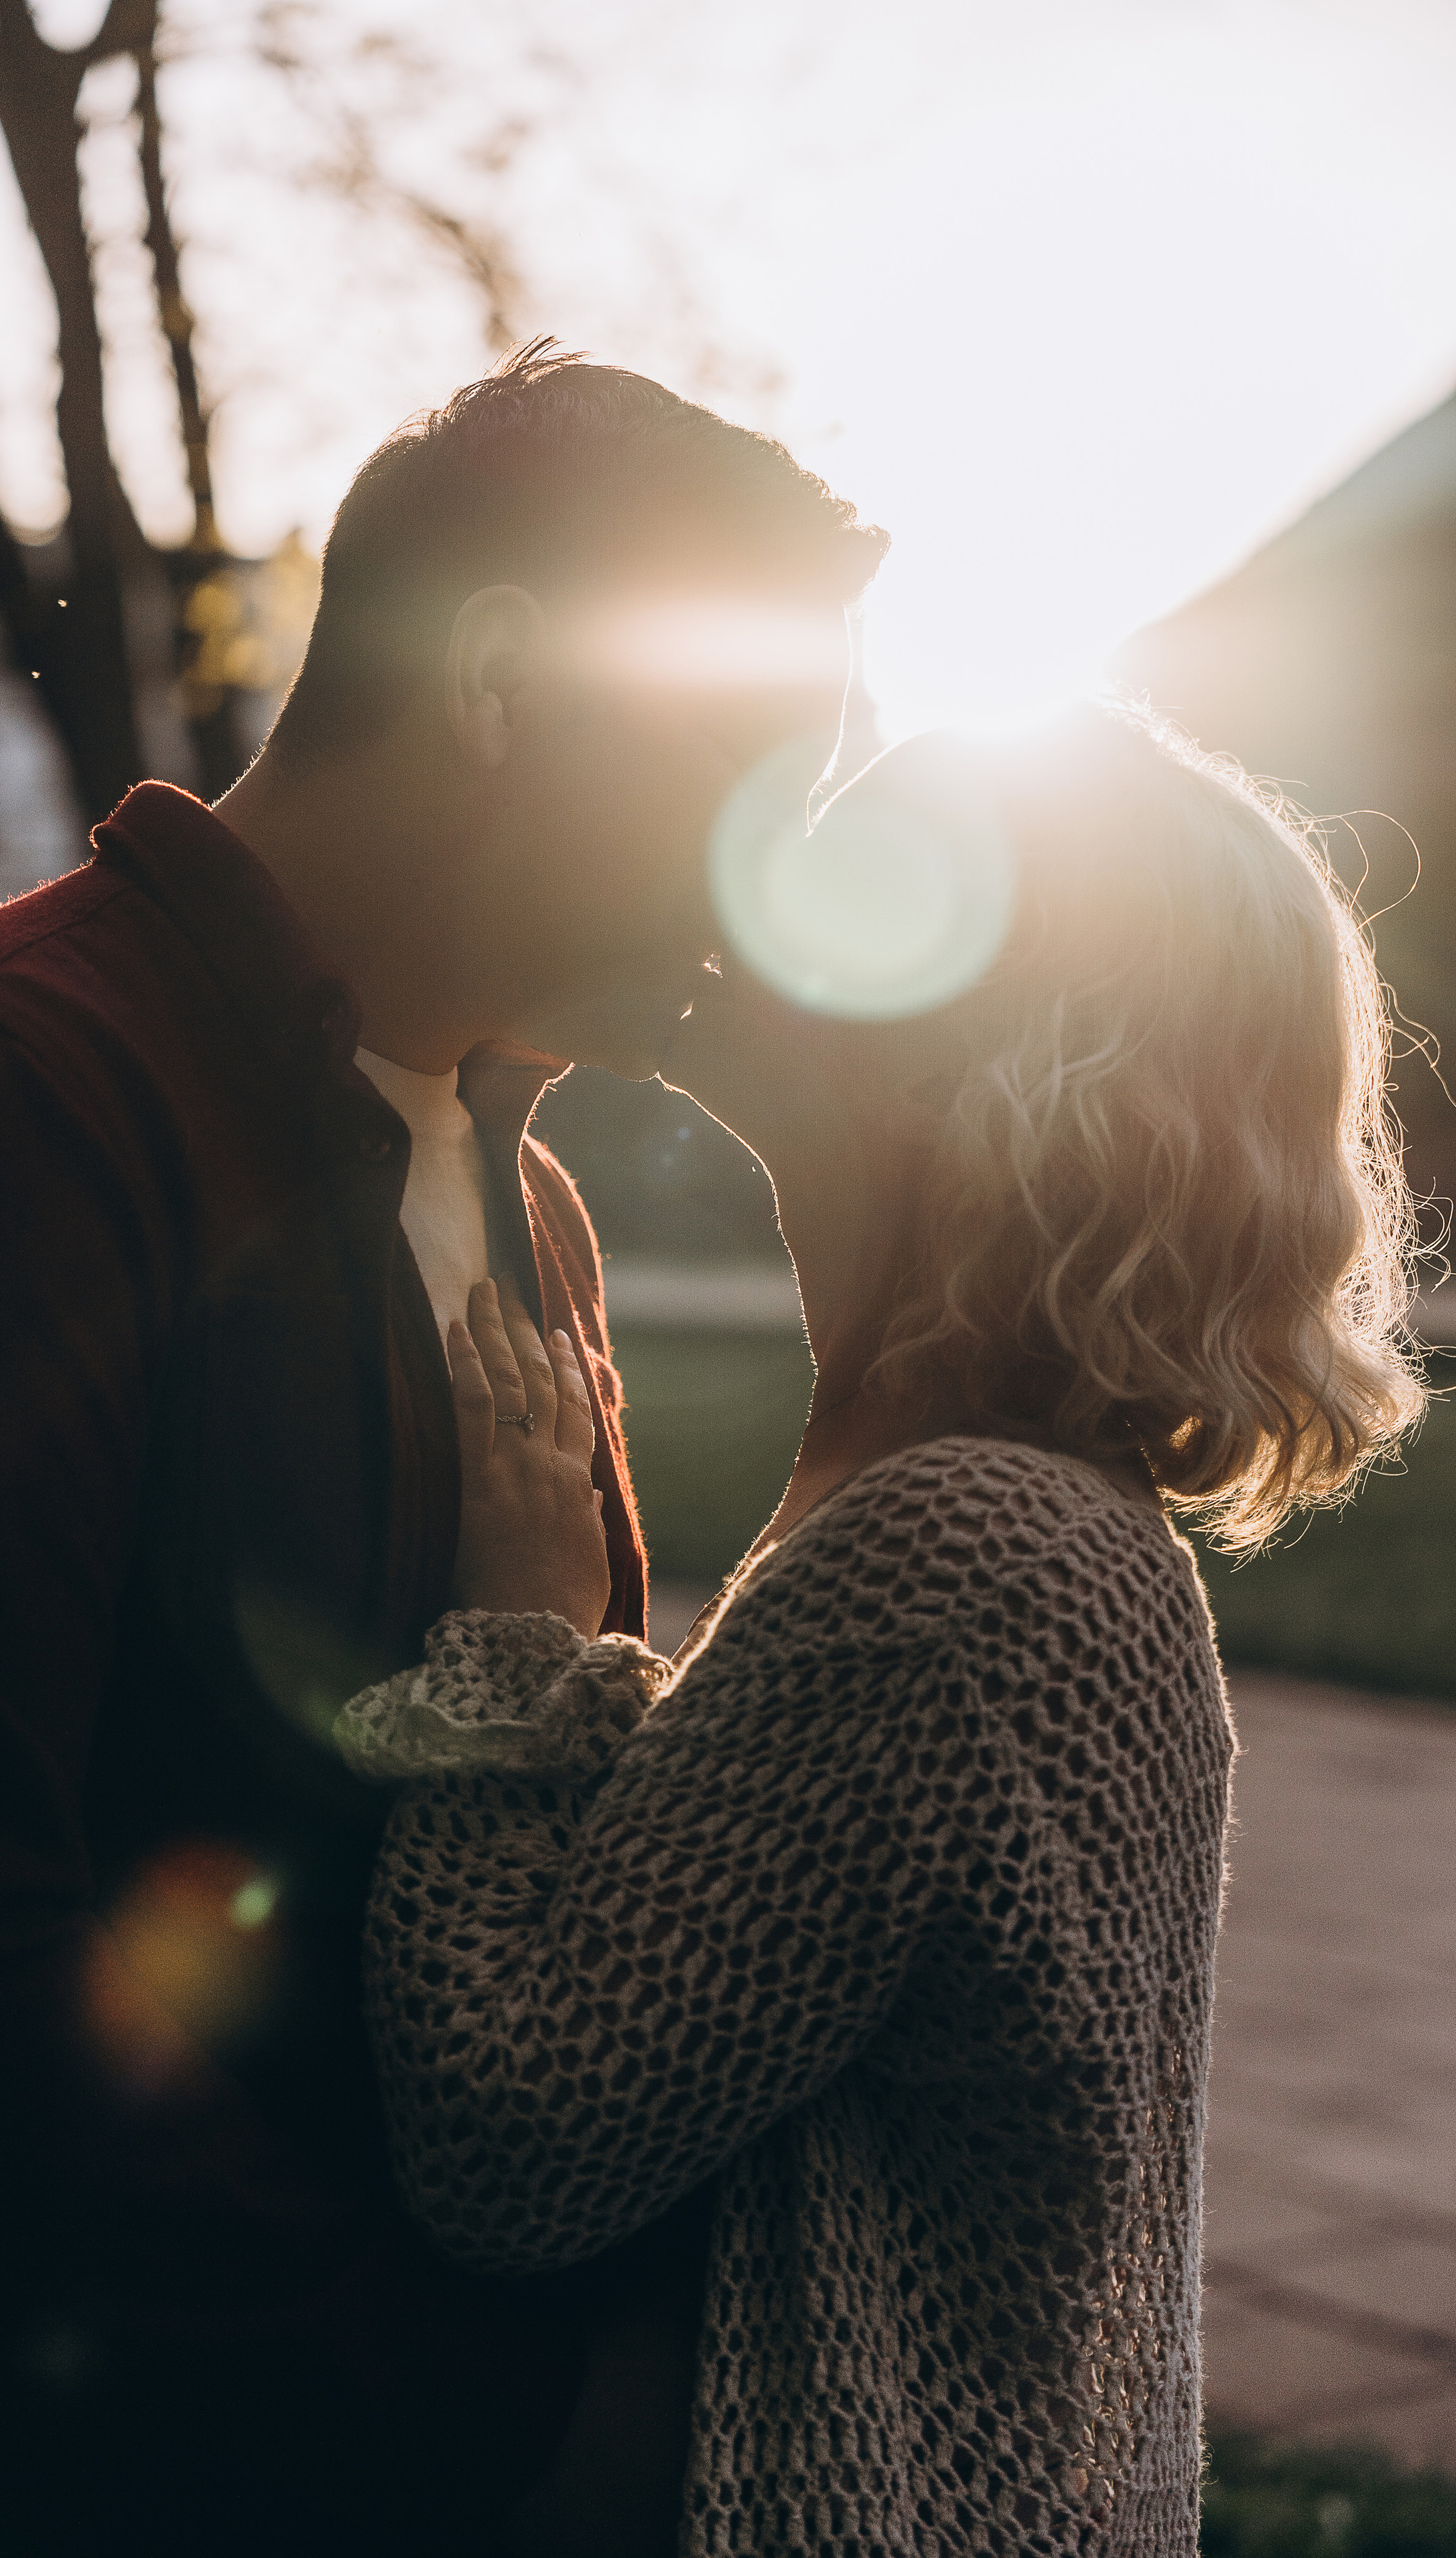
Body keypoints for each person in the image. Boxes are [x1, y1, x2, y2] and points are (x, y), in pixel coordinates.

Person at [0, 343, 886, 2554]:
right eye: (759, 775)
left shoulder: (520, 1181)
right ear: (497, 684)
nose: (791, 878)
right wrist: (482, 2423)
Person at [328, 701, 1426, 2555]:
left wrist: (511, 1649)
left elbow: (512, 2132)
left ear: (982, 1038)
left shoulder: (966, 1553)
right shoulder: (1020, 1515)